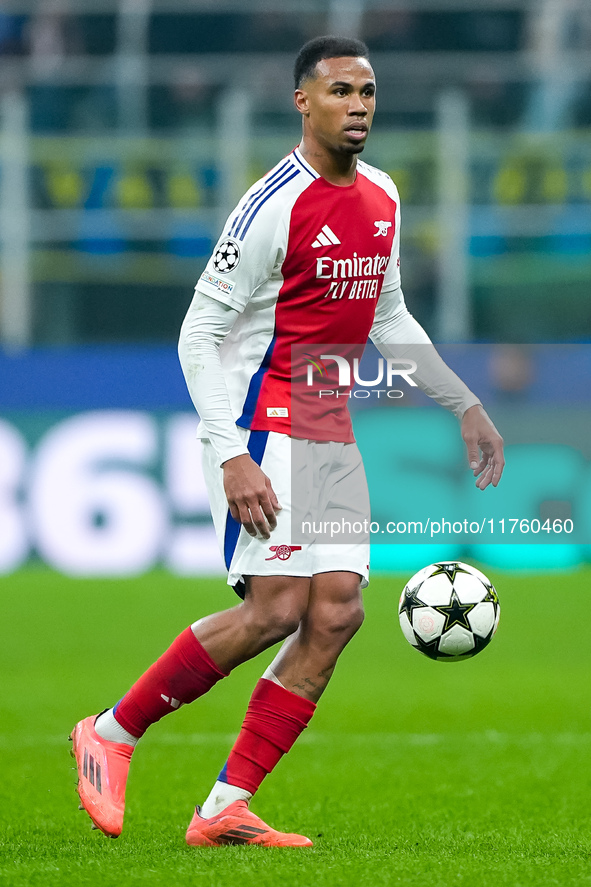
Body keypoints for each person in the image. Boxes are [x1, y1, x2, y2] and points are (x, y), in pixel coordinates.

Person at [70, 35, 504, 848]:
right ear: (303, 101)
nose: (360, 106)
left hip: (327, 424)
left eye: (368, 91)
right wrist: (227, 448)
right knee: (276, 610)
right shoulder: (274, 202)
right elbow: (198, 330)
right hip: (259, 420)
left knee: (335, 612)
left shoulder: (382, 194)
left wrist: (462, 401)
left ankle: (222, 807)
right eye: (341, 91)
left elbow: (387, 316)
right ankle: (111, 731)